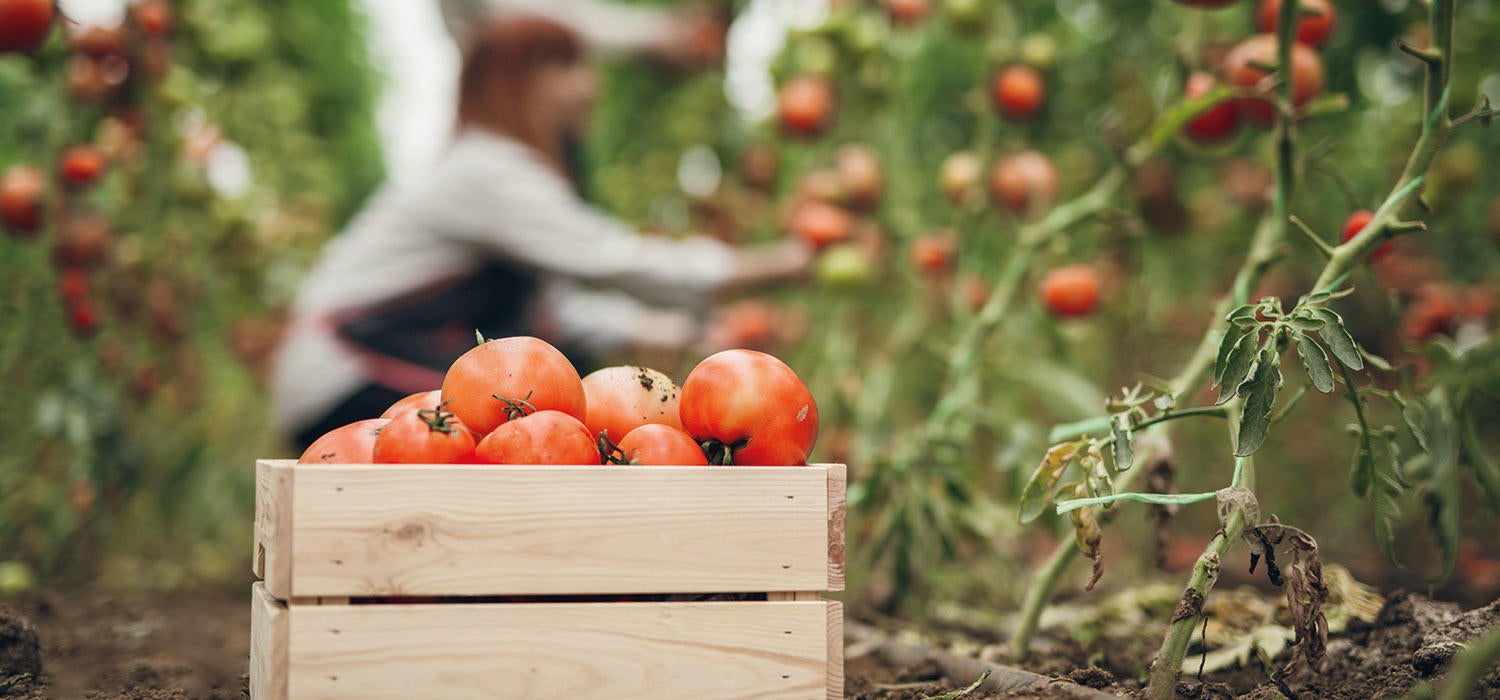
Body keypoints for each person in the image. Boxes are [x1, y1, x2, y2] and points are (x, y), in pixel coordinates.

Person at [271, 16, 810, 449]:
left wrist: (688, 334)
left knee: (548, 405)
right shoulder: (489, 172)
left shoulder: (493, 172)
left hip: (357, 366)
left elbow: (559, 314)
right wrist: (773, 263)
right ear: (521, 81)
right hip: (347, 373)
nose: (591, 86)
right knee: (542, 417)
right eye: (568, 66)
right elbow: (613, 259)